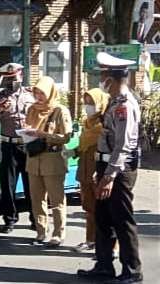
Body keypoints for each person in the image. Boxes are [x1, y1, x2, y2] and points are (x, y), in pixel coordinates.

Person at [78, 52, 143, 284]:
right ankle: (104, 265)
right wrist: (100, 168)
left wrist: (109, 177)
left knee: (122, 220)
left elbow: (124, 146)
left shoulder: (125, 105)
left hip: (120, 169)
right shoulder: (114, 102)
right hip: (106, 164)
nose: (101, 79)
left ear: (112, 78)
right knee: (103, 219)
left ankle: (132, 271)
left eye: (103, 75)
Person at [0, 63, 35, 234]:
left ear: (21, 75)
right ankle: (9, 219)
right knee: (8, 185)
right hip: (9, 144)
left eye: (13, 78)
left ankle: (36, 220)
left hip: (28, 144)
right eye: (7, 79)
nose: (11, 82)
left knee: (32, 185)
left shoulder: (31, 94)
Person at [24, 76, 73, 247]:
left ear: (50, 92)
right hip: (33, 159)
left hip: (52, 160)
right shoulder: (31, 109)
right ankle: (40, 231)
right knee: (36, 198)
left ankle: (58, 234)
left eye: (42, 93)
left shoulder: (60, 110)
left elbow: (66, 137)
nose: (38, 96)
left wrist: (44, 135)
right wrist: (25, 133)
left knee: (56, 199)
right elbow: (27, 128)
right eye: (36, 92)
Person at [73, 88, 111, 252]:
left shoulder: (104, 124)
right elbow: (84, 147)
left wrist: (103, 171)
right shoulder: (87, 124)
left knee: (104, 212)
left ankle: (109, 247)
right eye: (86, 102)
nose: (88, 106)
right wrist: (73, 152)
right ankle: (90, 241)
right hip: (85, 171)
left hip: (99, 172)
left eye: (92, 103)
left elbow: (109, 150)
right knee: (88, 209)